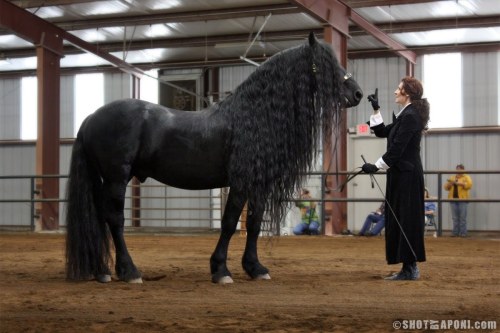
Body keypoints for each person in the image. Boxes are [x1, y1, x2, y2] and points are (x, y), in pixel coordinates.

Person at [361, 77, 430, 281]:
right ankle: (407, 267)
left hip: (407, 176)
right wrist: (376, 109)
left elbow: (397, 149)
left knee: (406, 220)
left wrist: (376, 165)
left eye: (398, 89)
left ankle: (411, 268)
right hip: (400, 175)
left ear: (407, 93)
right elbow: (382, 132)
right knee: (399, 218)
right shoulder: (405, 116)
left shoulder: (411, 117)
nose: (395, 92)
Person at [444, 164, 473, 237]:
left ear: (463, 170)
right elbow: (446, 187)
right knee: (455, 218)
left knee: (462, 217)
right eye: (457, 169)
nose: (458, 171)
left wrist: (457, 183)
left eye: (459, 169)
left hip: (462, 199)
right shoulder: (452, 177)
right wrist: (450, 184)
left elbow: (469, 185)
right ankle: (455, 232)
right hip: (453, 199)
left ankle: (463, 233)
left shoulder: (466, 177)